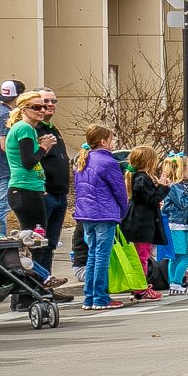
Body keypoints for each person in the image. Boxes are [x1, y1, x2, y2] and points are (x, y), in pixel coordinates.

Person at [4, 89, 69, 286]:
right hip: (24, 190)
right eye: (36, 107)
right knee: (34, 242)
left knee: (39, 241)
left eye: (44, 106)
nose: (42, 110)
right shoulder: (24, 128)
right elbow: (28, 162)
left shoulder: (30, 129)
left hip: (32, 189)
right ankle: (34, 285)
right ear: (23, 109)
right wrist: (44, 147)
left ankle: (38, 287)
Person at [70, 125, 128, 310]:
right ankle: (101, 297)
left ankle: (90, 297)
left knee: (92, 255)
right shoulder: (108, 162)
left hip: (86, 214)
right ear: (103, 141)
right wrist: (123, 210)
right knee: (102, 256)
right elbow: (119, 190)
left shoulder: (82, 160)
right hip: (104, 212)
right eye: (111, 139)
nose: (113, 143)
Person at [121, 145, 169, 298]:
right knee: (143, 256)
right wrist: (162, 186)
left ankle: (138, 285)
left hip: (136, 221)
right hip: (141, 223)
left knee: (140, 255)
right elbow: (151, 199)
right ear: (149, 161)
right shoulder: (142, 178)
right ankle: (140, 288)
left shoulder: (136, 176)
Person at [158, 155, 188, 292]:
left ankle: (173, 284)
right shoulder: (175, 186)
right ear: (181, 170)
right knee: (185, 257)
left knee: (175, 257)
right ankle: (176, 283)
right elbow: (182, 203)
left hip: (172, 224)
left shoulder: (174, 186)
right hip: (178, 225)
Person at [0, 79, 24, 228]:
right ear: (19, 95)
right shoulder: (6, 116)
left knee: (2, 204)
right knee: (1, 206)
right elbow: (5, 145)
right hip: (5, 167)